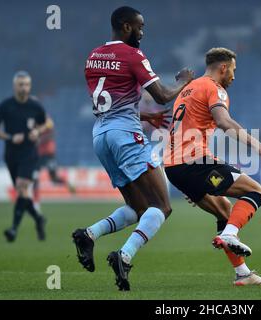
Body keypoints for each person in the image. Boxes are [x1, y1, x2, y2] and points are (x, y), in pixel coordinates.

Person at [72, 6, 194, 291]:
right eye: (139, 26)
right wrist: (183, 81)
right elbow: (163, 95)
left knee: (138, 208)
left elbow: (109, 104)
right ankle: (123, 256)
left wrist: (143, 115)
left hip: (101, 136)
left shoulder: (94, 56)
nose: (142, 32)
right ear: (125, 26)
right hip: (125, 136)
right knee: (162, 207)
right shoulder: (132, 55)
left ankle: (89, 235)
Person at [163, 48, 261, 286]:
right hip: (193, 161)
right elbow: (224, 122)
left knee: (224, 211)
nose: (234, 76)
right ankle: (229, 234)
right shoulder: (215, 88)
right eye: (233, 70)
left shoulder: (188, 89)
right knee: (257, 191)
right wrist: (257, 145)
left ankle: (243, 274)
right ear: (223, 68)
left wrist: (189, 182)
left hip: (174, 167)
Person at [0, 71, 47, 242]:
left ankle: (13, 229)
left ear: (30, 86)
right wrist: (9, 137)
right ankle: (38, 218)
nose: (24, 88)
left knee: (22, 187)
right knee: (23, 194)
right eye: (21, 84)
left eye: (26, 84)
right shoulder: (5, 106)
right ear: (14, 86)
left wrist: (37, 131)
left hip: (29, 153)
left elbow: (46, 123)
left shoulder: (36, 106)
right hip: (11, 154)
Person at [33, 115, 76, 210]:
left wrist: (39, 140)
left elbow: (51, 134)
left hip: (48, 153)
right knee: (35, 177)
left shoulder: (46, 120)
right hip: (37, 155)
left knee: (54, 178)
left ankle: (67, 182)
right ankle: (36, 203)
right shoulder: (32, 121)